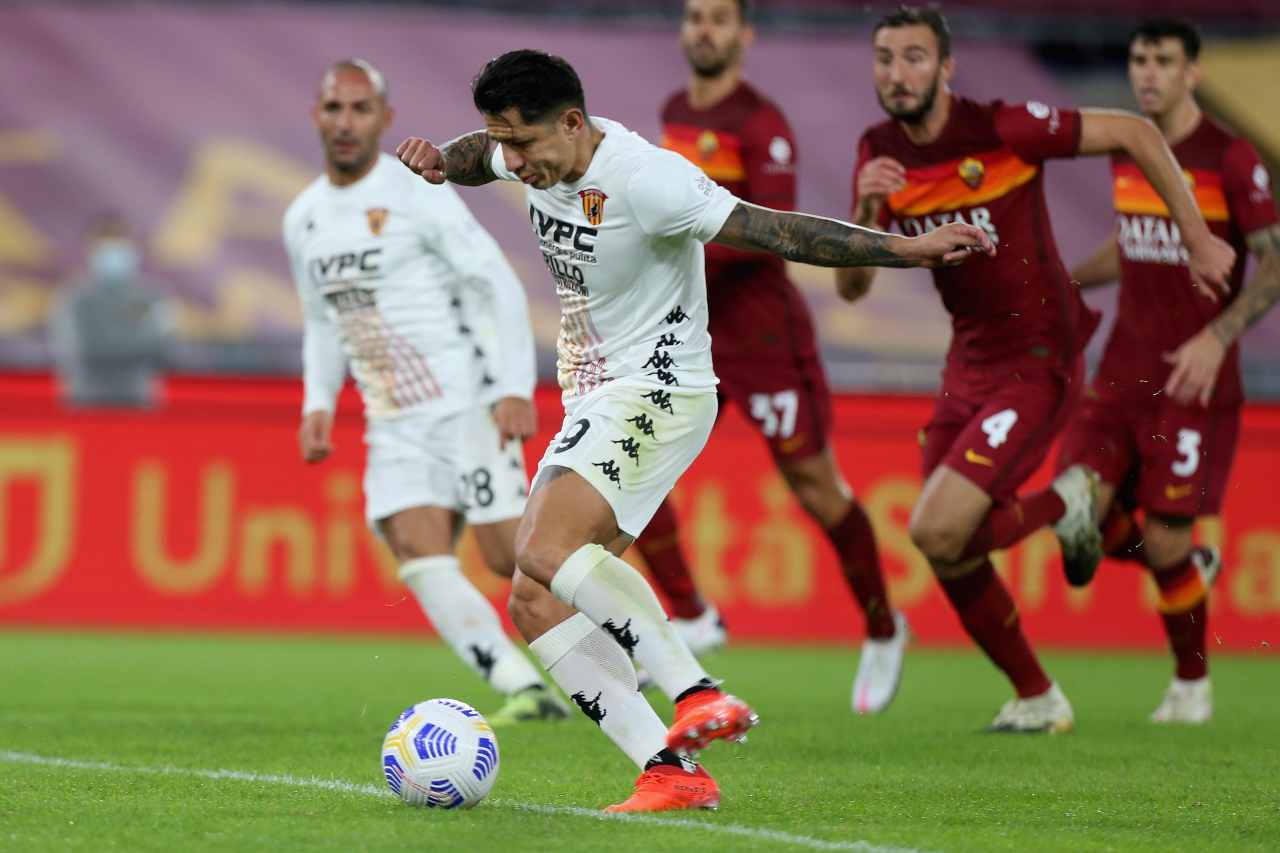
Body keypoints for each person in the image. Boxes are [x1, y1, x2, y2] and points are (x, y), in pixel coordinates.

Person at [398, 49, 991, 810]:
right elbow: (481, 156)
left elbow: (777, 231)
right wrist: (444, 161)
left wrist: (905, 248)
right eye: (505, 140)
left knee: (544, 546)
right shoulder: (528, 154)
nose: (516, 160)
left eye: (525, 142)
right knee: (534, 599)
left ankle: (696, 689)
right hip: (596, 395)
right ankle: (669, 770)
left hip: (661, 387)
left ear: (573, 123)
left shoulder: (649, 180)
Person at [837, 7, 1235, 733]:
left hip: (1039, 359)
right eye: (885, 59)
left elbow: (1137, 132)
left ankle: (1066, 503)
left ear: (947, 68)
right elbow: (852, 287)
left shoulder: (1003, 128)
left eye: (915, 58)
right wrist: (866, 206)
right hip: (968, 364)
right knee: (949, 548)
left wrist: (1199, 236)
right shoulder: (877, 151)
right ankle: (1037, 695)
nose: (897, 74)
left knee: (934, 530)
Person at [283, 59, 568, 729]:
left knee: (511, 557)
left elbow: (494, 279)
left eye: (359, 109)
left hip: (465, 402)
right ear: (316, 117)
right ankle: (522, 688)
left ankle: (623, 653)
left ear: (385, 119)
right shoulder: (303, 219)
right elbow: (324, 318)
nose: (345, 122)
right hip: (392, 419)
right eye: (334, 108)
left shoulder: (415, 191)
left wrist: (510, 385)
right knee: (414, 542)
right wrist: (317, 403)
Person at [646, 0, 906, 715]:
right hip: (695, 332)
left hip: (763, 339)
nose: (704, 29)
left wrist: (674, 244)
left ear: (743, 34)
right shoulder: (674, 109)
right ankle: (693, 613)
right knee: (636, 466)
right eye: (695, 16)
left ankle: (885, 625)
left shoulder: (762, 124)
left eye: (719, 18)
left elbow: (773, 232)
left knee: (818, 490)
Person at [1057, 18, 1280, 724]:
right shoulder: (1130, 148)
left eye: (1162, 61)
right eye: (1137, 60)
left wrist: (1217, 338)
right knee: (1072, 515)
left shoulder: (1231, 156)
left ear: (1193, 72)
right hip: (1122, 370)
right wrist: (1057, 283)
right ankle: (1182, 569)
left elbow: (1272, 260)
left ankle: (1191, 684)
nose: (1147, 73)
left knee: (1171, 535)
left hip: (1191, 378)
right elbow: (1133, 245)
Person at [48, 213, 172, 408]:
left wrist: (110, 343)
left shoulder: (149, 298)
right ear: (92, 251)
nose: (114, 255)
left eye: (119, 247)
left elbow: (162, 351)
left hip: (138, 400)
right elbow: (78, 352)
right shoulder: (75, 299)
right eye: (106, 248)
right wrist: (133, 346)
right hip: (86, 400)